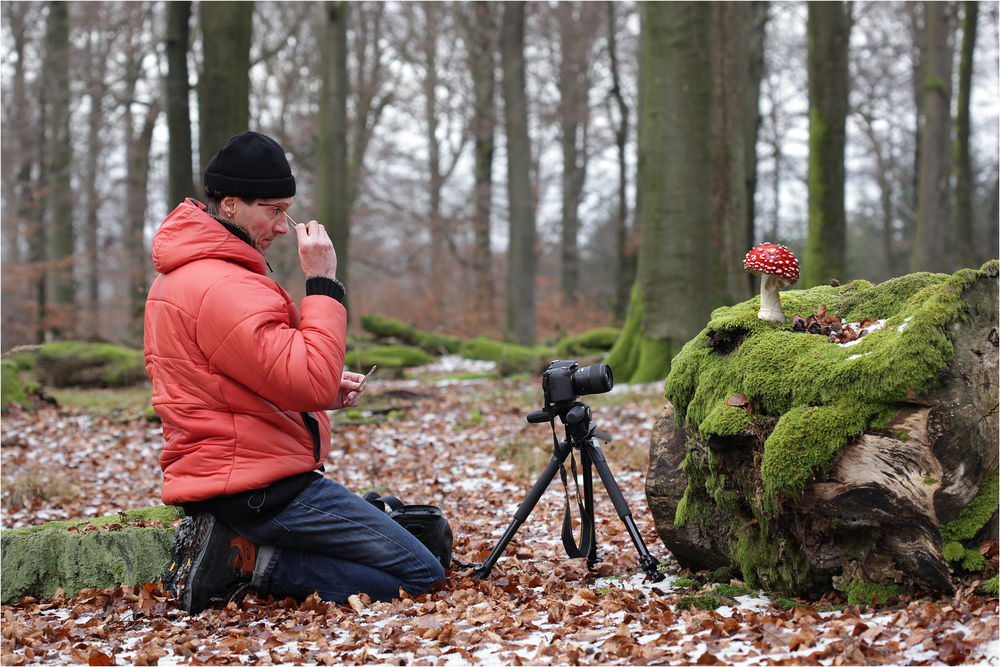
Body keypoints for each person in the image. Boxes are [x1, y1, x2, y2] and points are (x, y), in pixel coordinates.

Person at [144, 130, 445, 614]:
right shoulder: (223, 284)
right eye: (273, 210)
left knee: (417, 550)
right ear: (230, 206)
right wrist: (323, 281)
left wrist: (322, 390)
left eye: (286, 210)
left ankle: (252, 552)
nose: (283, 225)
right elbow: (304, 377)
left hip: (234, 476)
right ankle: (251, 562)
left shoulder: (195, 273)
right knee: (423, 573)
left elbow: (244, 382)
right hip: (260, 490)